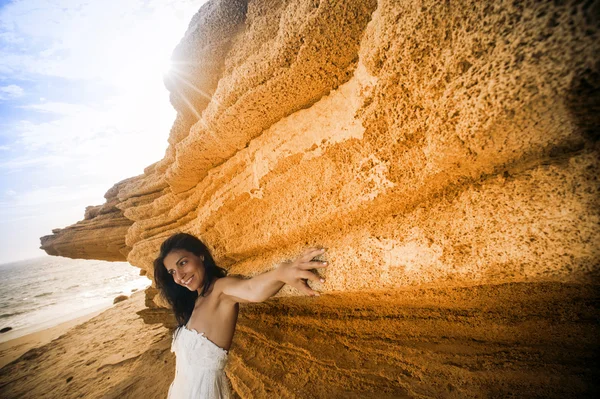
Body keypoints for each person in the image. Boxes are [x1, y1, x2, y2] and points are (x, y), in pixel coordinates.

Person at [153, 232, 328, 399]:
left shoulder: (220, 289)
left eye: (182, 263)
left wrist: (282, 273)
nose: (179, 276)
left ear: (201, 256)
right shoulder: (197, 300)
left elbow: (251, 289)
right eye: (172, 272)